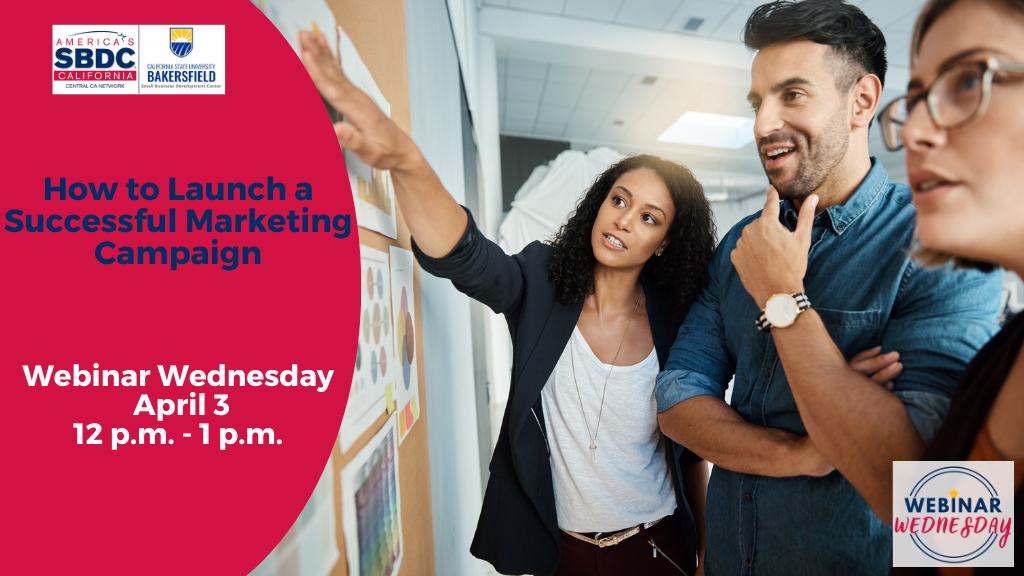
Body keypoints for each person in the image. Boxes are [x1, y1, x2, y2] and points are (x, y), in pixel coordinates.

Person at [297, 30, 718, 576]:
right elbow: (468, 257)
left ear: (663, 243)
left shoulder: (676, 320)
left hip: (657, 546)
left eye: (648, 218)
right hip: (562, 551)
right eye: (619, 199)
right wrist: (405, 160)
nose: (623, 220)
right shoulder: (543, 281)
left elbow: (691, 447)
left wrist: (706, 552)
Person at [654, 1, 1004, 574]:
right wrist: (804, 451)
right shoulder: (743, 242)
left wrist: (783, 299)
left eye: (792, 94)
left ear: (862, 101)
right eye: (757, 103)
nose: (763, 124)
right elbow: (676, 399)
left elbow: (939, 507)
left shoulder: (938, 244)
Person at [877, 0, 1024, 573]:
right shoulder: (995, 365)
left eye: (967, 80)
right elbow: (945, 554)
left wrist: (786, 304)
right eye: (915, 100)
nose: (914, 130)